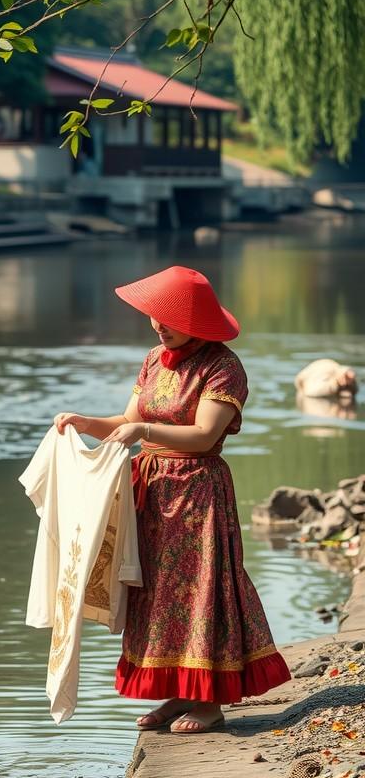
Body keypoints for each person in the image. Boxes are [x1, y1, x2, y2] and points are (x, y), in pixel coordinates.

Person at [54, 265, 291, 734]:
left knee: (202, 589)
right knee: (157, 593)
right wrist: (85, 422)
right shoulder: (153, 359)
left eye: (166, 319)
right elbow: (126, 420)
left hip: (198, 491)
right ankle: (180, 693)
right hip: (152, 491)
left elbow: (204, 436)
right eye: (154, 318)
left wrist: (142, 430)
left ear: (196, 322)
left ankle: (210, 703)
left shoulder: (224, 367)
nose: (157, 326)